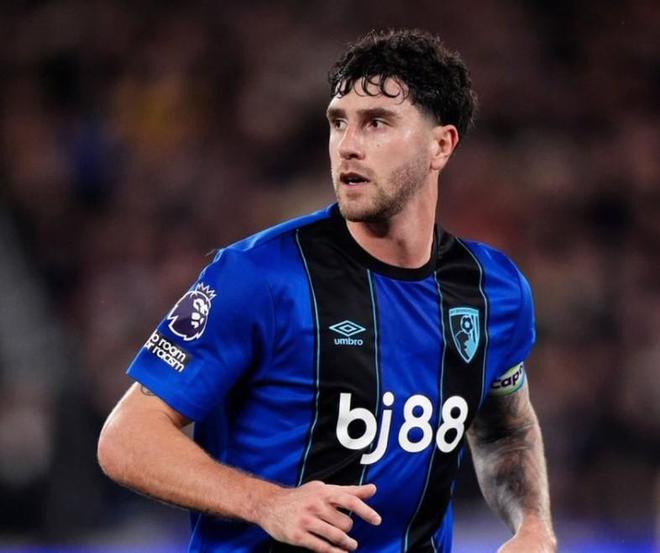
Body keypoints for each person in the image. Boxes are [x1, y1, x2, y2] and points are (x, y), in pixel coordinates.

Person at [98, 29, 556, 553]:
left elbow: (505, 430)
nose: (348, 145)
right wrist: (266, 503)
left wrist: (532, 524)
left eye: (377, 123)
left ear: (441, 145)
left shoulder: (494, 290)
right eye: (339, 122)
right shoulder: (260, 277)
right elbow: (127, 438)